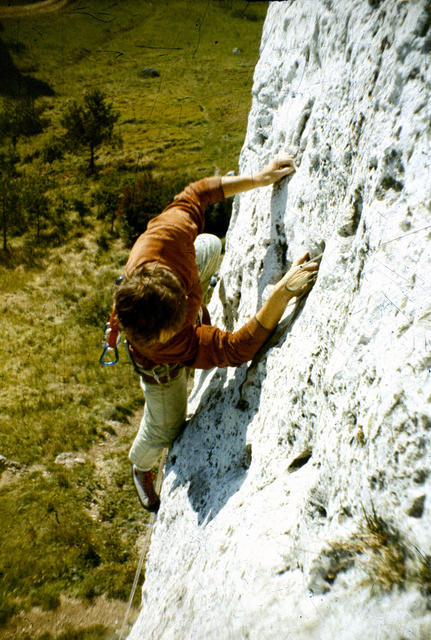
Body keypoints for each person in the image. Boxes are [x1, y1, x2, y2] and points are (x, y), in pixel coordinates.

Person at [113, 156, 319, 511]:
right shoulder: (167, 347)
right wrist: (281, 294)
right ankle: (140, 464)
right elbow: (237, 349)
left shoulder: (168, 236)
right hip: (161, 372)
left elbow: (196, 193)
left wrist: (259, 178)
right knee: (166, 428)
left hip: (175, 279)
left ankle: (199, 272)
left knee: (207, 245)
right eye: (180, 326)